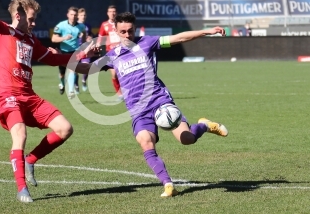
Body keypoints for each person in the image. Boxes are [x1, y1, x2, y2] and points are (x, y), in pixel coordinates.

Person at [74, 12, 229, 197]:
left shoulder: (148, 43)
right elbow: (85, 68)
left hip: (160, 102)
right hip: (138, 111)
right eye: (122, 31)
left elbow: (179, 38)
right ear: (115, 31)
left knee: (186, 139)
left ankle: (203, 125)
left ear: (135, 29)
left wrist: (207, 31)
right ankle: (168, 184)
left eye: (130, 31)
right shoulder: (112, 56)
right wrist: (83, 55)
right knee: (145, 142)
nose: (126, 35)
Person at [0, 0, 92, 203]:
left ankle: (30, 161)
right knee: (20, 134)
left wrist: (82, 56)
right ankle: (21, 189)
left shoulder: (30, 41)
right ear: (18, 16)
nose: (34, 23)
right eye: (31, 19)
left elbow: (54, 58)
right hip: (7, 94)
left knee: (65, 129)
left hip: (29, 96)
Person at [51, 7, 86, 99]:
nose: (73, 16)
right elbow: (53, 39)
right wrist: (64, 38)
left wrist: (84, 42)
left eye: (75, 15)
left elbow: (84, 33)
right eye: (71, 14)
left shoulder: (81, 26)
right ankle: (62, 84)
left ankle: (71, 91)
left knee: (72, 70)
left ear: (77, 16)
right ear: (67, 15)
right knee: (62, 74)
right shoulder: (61, 25)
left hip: (75, 51)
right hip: (63, 52)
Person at [96, 5, 123, 101]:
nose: (113, 13)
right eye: (111, 11)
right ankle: (119, 94)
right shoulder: (104, 25)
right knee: (114, 73)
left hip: (122, 51)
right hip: (111, 52)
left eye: (114, 11)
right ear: (108, 13)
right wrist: (98, 45)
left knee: (123, 73)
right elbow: (100, 37)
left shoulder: (120, 23)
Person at [77, 8, 100, 92]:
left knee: (87, 67)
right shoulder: (74, 26)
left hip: (85, 48)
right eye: (81, 15)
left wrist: (91, 38)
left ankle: (83, 80)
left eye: (84, 15)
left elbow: (90, 35)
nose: (83, 17)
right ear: (78, 16)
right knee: (74, 69)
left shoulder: (88, 26)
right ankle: (76, 84)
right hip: (76, 49)